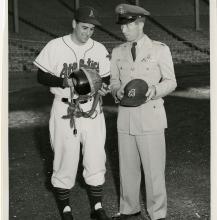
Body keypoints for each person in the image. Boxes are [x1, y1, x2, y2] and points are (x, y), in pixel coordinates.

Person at [33, 6, 111, 220]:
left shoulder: (99, 48)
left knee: (96, 156)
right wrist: (62, 81)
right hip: (64, 107)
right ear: (74, 23)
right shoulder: (56, 46)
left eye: (92, 29)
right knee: (65, 157)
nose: (88, 33)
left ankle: (97, 208)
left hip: (92, 108)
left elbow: (105, 78)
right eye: (84, 27)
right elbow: (41, 76)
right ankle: (66, 210)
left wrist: (104, 86)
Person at [110, 4, 177, 220]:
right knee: (127, 169)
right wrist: (116, 91)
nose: (123, 30)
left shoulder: (159, 49)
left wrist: (154, 90)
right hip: (125, 118)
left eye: (128, 25)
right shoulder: (118, 52)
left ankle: (157, 213)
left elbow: (171, 81)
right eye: (122, 26)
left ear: (140, 23)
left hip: (151, 117)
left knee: (153, 171)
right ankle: (129, 209)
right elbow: (113, 82)